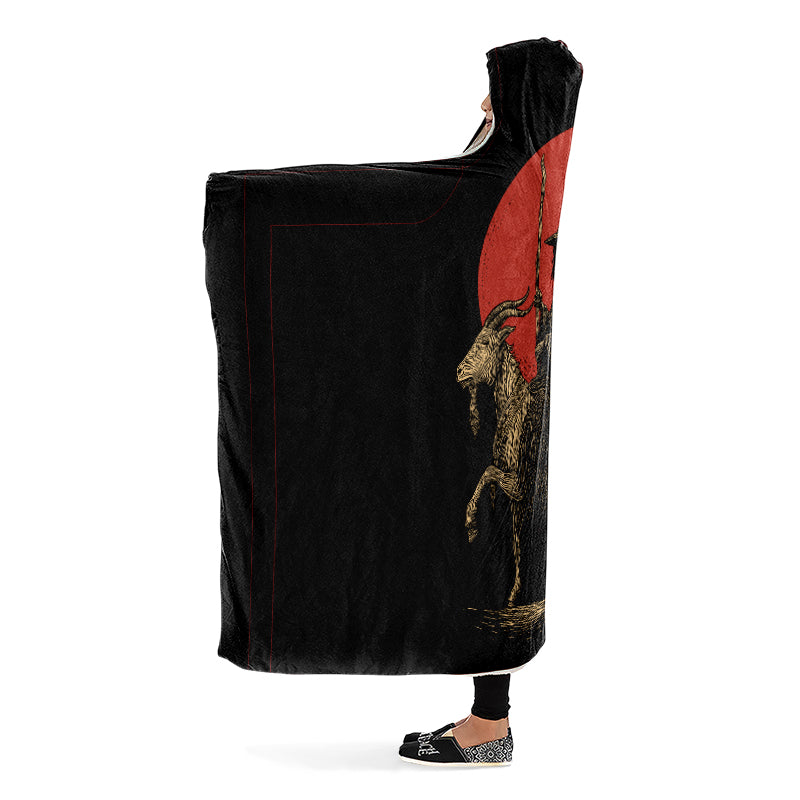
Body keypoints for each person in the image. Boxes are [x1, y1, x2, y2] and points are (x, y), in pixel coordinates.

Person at [397, 93, 514, 768]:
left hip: (495, 377)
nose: (484, 97)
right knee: (475, 532)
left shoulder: (512, 152)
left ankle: (489, 727)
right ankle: (486, 717)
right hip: (474, 364)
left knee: (488, 532)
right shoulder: (501, 150)